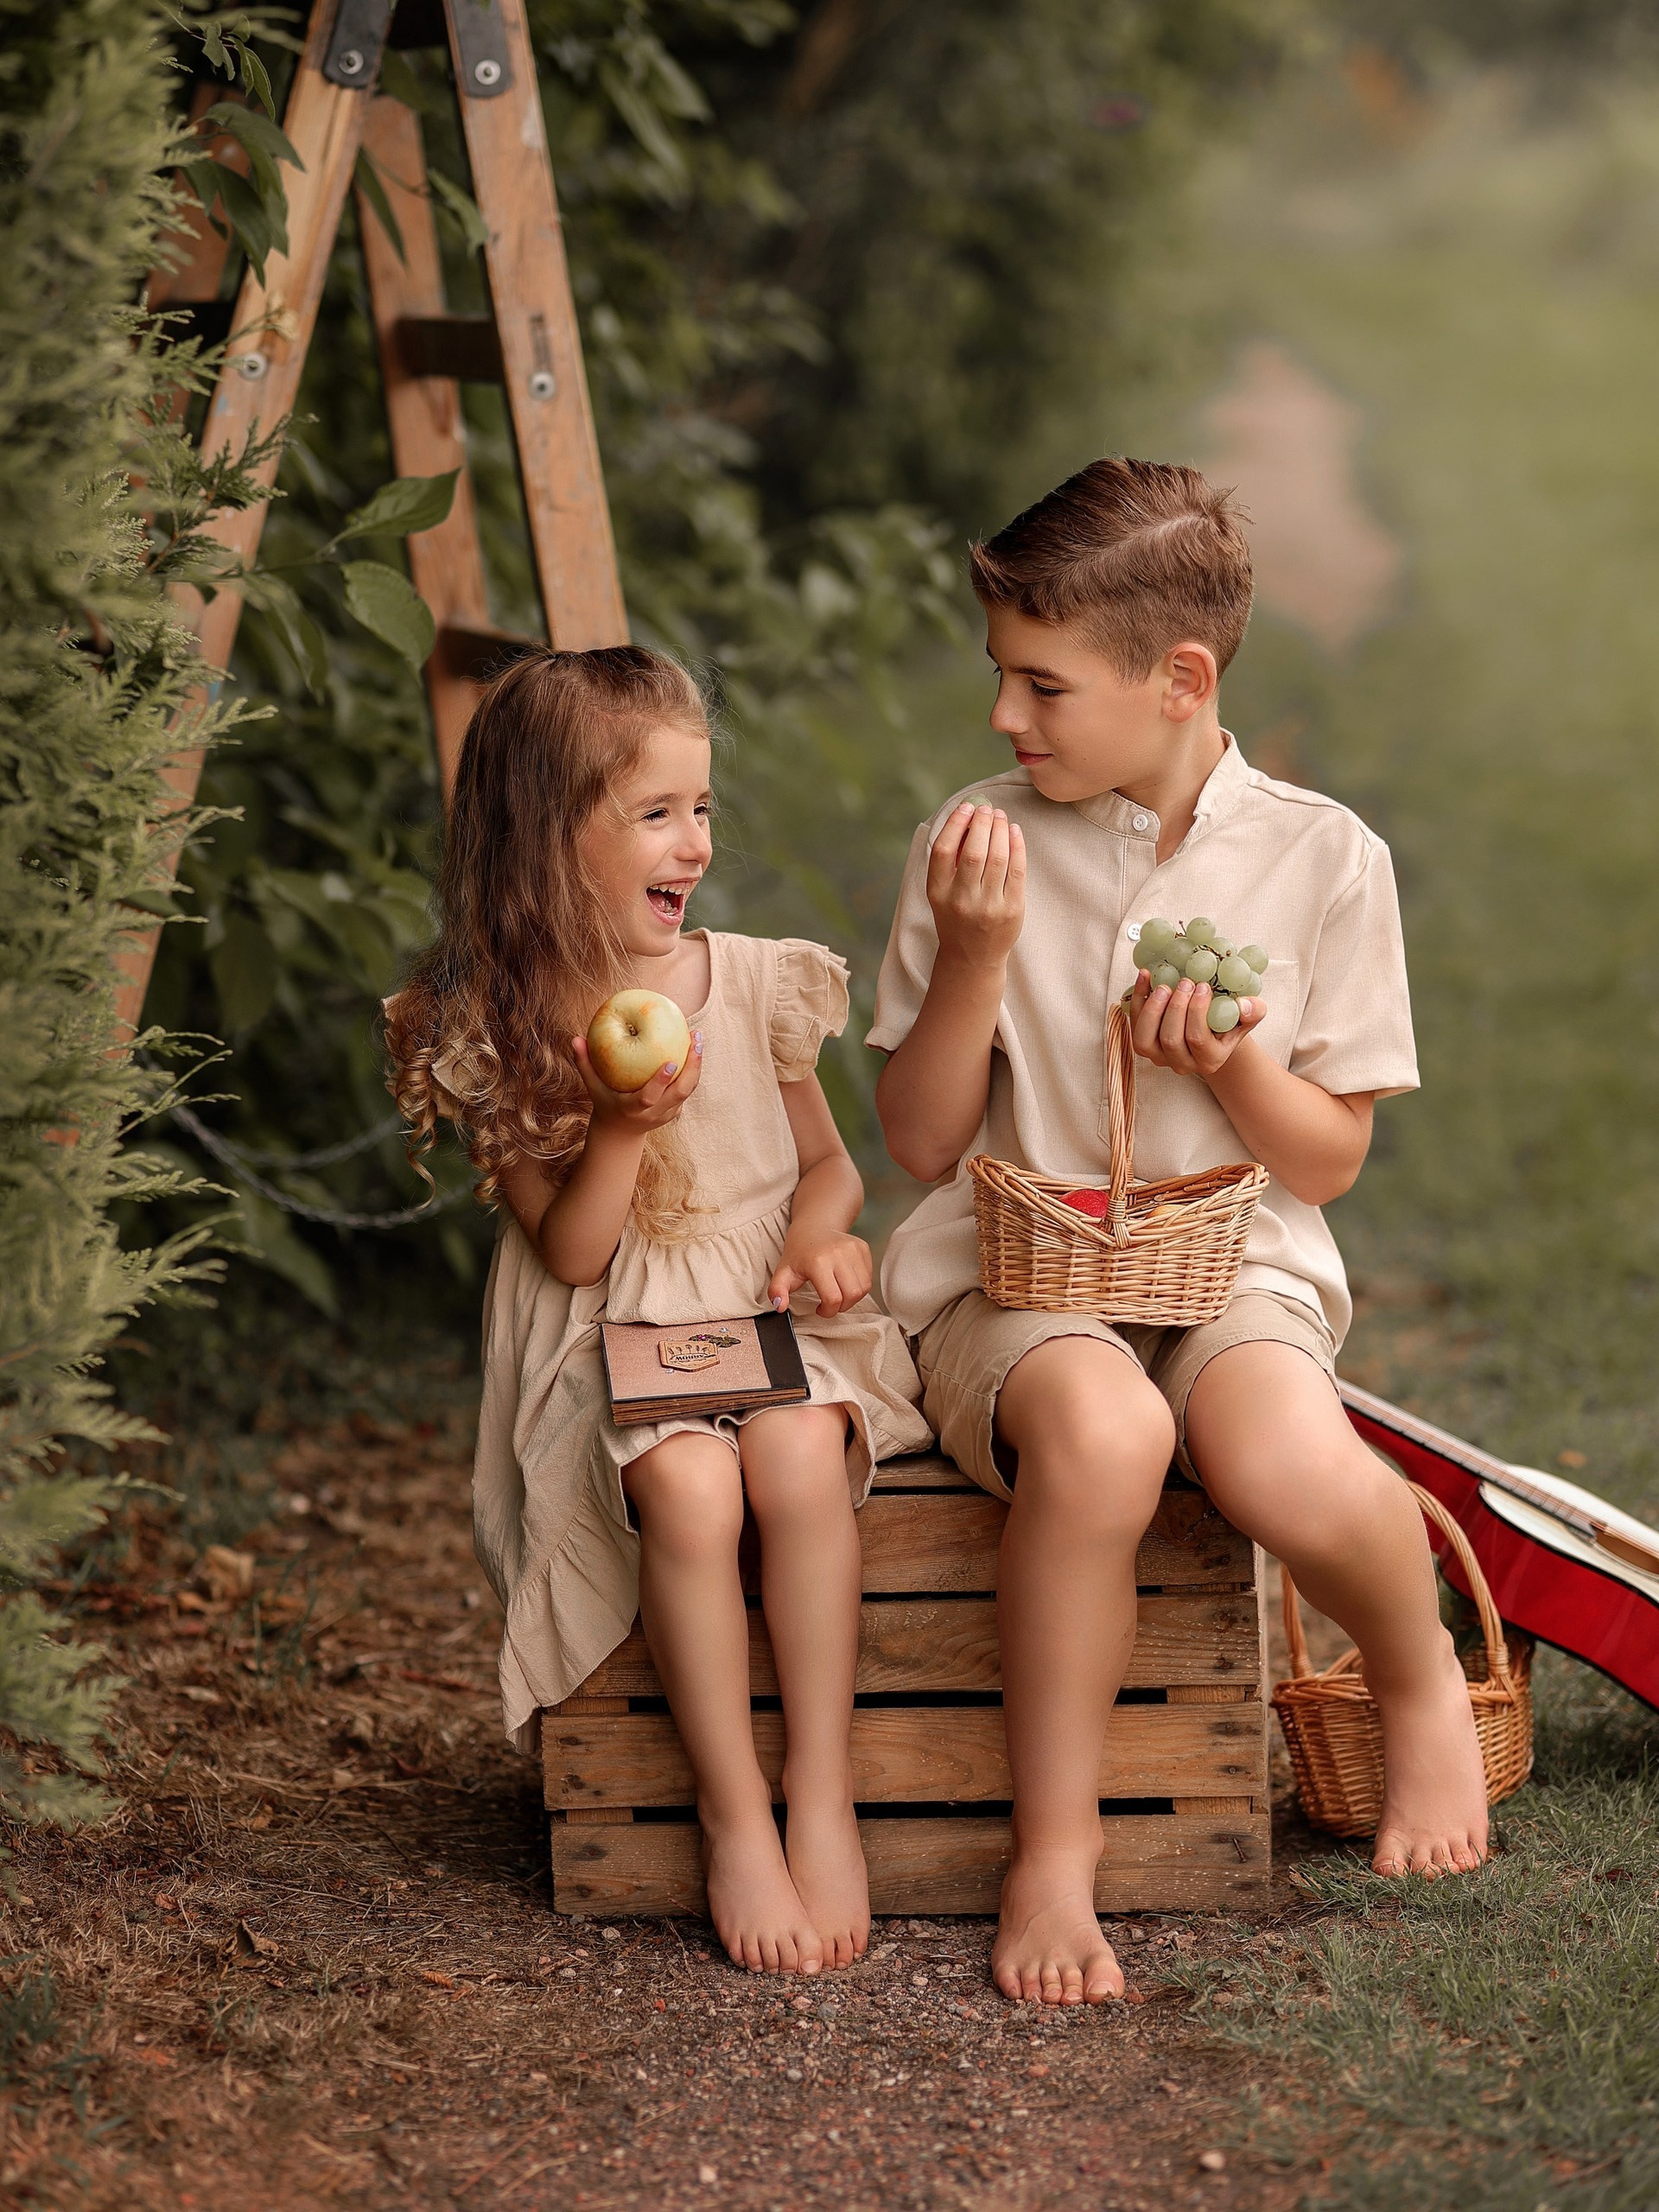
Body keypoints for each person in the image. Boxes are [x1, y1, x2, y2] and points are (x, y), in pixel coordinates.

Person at [869, 458, 1491, 2008]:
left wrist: (1236, 1067)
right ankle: (1056, 1853)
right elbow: (923, 1142)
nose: (1005, 719)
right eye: (1000, 677)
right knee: (1102, 1435)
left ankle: (1415, 1681)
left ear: (1180, 679)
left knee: (1276, 1452)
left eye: (1041, 685)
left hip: (1234, 1263)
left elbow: (1329, 1161)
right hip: (1016, 1277)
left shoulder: (1323, 860)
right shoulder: (977, 844)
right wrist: (975, 961)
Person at [387, 645, 929, 1977]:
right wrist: (620, 1127)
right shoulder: (497, 1025)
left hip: (760, 1305)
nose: (691, 841)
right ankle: (731, 1812)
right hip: (612, 1330)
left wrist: (824, 1242)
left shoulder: (749, 982)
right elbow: (572, 1252)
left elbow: (829, 1166)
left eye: (702, 810)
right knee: (688, 1491)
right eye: (653, 813)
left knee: (799, 1453)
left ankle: (822, 1794)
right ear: (544, 835)